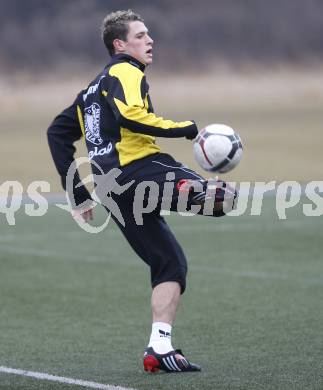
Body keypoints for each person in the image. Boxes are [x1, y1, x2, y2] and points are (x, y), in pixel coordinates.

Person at [47, 9, 236, 373]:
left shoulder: (90, 92)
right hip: (137, 169)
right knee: (220, 197)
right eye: (140, 35)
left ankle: (159, 348)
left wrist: (78, 193)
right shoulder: (124, 70)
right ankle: (191, 188)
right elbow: (131, 116)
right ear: (120, 44)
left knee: (170, 264)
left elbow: (57, 132)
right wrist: (186, 128)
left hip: (109, 187)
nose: (149, 40)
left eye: (148, 35)